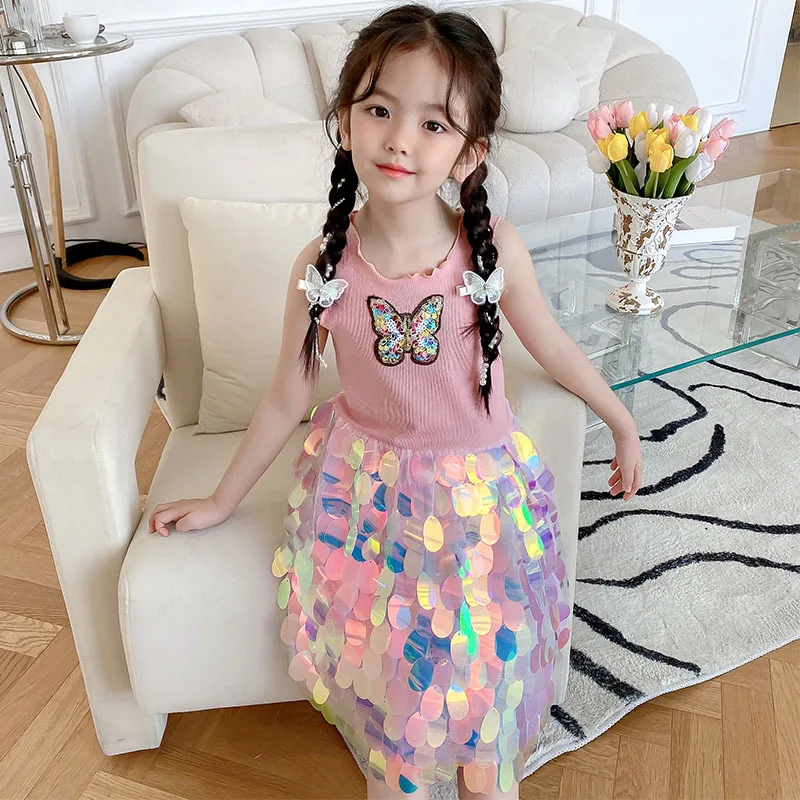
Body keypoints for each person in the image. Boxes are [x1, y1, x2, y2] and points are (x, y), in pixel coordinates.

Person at [148, 4, 643, 798]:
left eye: (433, 124)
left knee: (480, 677)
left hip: (479, 504)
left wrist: (620, 422)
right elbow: (286, 394)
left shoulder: (491, 249)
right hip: (367, 502)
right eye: (379, 109)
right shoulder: (324, 264)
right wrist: (219, 499)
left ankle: (482, 772)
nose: (400, 139)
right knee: (396, 674)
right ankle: (400, 768)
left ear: (469, 152)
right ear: (345, 120)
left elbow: (551, 346)